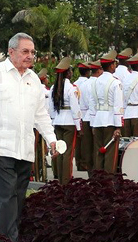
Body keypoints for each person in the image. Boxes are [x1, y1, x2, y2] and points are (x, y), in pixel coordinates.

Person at [0, 33, 57, 241]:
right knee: (6, 198)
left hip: (24, 150)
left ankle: (8, 236)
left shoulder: (34, 79)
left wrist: (51, 138)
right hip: (0, 148)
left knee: (18, 199)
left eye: (32, 52)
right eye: (25, 51)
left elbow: (41, 114)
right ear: (11, 52)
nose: (30, 56)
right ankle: (6, 238)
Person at [89, 50, 123, 173]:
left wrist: (92, 123)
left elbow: (92, 104)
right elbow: (117, 105)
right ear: (112, 65)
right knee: (110, 155)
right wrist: (118, 126)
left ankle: (98, 181)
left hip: (98, 120)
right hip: (110, 121)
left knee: (98, 152)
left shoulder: (95, 81)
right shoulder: (115, 82)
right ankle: (108, 182)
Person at [49, 57, 81, 185]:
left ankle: (60, 178)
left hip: (57, 121)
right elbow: (75, 109)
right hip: (69, 122)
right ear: (68, 72)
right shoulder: (71, 88)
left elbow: (51, 108)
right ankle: (66, 180)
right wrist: (79, 127)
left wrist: (53, 121)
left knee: (60, 151)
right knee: (67, 152)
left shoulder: (53, 87)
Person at [81, 60, 103, 175]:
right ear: (99, 70)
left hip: (86, 118)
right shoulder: (99, 83)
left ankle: (90, 174)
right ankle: (98, 173)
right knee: (97, 148)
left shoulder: (84, 84)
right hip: (97, 118)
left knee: (88, 149)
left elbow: (83, 105)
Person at [73, 62, 90, 171]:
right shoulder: (88, 83)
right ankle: (84, 163)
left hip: (76, 114)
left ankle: (78, 163)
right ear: (88, 72)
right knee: (85, 142)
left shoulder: (74, 83)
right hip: (85, 113)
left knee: (78, 141)